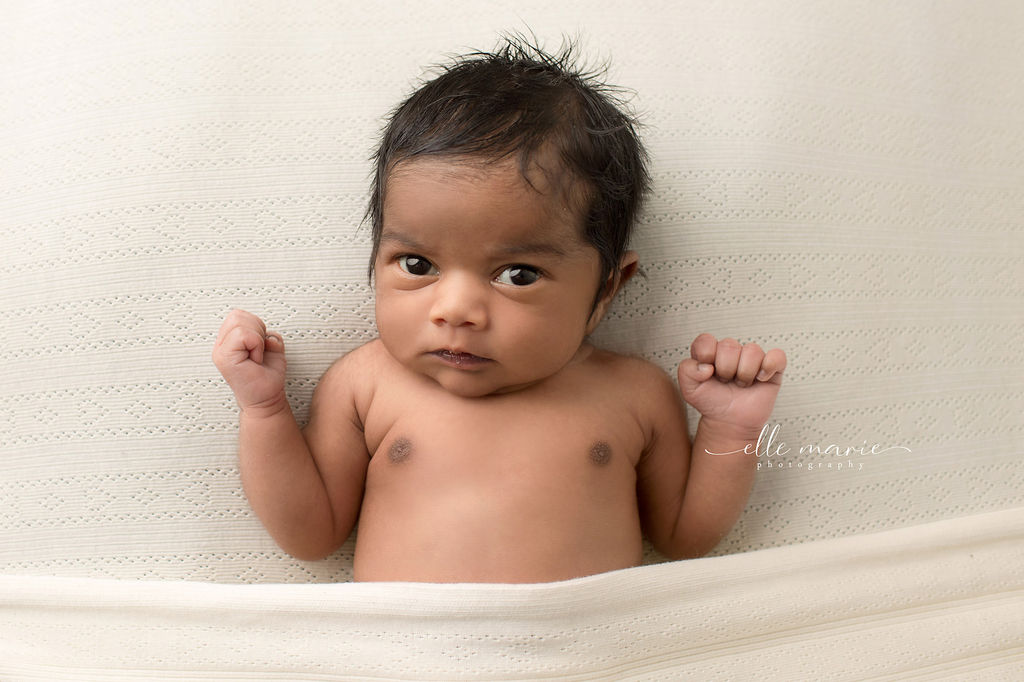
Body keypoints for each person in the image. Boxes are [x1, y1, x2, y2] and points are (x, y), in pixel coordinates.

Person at [212, 37, 786, 583]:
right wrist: (265, 413)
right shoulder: (365, 385)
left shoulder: (633, 394)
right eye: (417, 265)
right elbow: (310, 536)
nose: (456, 309)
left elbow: (685, 537)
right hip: (412, 651)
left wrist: (730, 430)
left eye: (519, 275)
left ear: (609, 287)